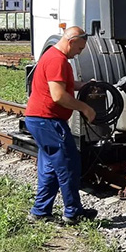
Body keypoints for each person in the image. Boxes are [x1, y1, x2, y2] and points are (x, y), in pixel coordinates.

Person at [24, 26, 98, 225]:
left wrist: (83, 85)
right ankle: (73, 213)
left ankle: (40, 211)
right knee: (68, 165)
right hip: (47, 120)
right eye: (80, 48)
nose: (79, 52)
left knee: (50, 167)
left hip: (39, 119)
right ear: (71, 41)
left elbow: (62, 84)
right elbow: (58, 96)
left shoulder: (53, 57)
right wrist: (85, 108)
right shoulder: (57, 60)